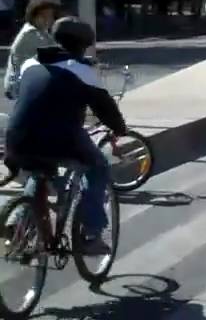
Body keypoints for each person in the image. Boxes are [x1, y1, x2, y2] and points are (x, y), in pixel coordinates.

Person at [5, 17, 125, 254]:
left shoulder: (31, 62)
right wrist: (120, 129)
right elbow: (107, 110)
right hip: (60, 138)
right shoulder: (83, 71)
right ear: (84, 44)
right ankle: (91, 234)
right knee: (98, 165)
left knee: (38, 172)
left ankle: (18, 221)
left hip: (17, 136)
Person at [4, 0, 59, 99]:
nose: (50, 20)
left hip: (27, 81)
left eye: (51, 16)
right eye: (45, 16)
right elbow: (54, 55)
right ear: (35, 16)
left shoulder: (41, 32)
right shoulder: (30, 33)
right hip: (17, 85)